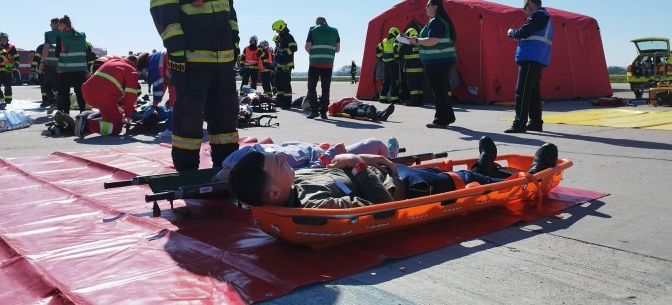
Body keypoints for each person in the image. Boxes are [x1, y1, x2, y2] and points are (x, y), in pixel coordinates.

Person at [149, 0, 240, 171]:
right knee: (188, 116)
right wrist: (176, 49)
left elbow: (228, 10)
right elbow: (163, 10)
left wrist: (233, 40)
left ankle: (226, 167)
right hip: (191, 60)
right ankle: (187, 171)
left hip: (222, 61)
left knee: (226, 116)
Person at [228, 136, 558, 209]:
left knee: (449, 173)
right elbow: (380, 204)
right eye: (279, 163)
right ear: (273, 193)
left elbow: (332, 170)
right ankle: (532, 175)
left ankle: (485, 167)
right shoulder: (314, 206)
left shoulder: (295, 183)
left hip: (390, 172)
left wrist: (360, 160)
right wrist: (356, 164)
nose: (285, 159)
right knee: (465, 182)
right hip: (406, 188)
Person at [215, 137, 400, 181]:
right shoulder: (274, 170)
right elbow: (306, 174)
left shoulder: (239, 156)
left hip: (316, 149)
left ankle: (389, 157)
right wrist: (330, 154)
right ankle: (391, 158)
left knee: (375, 144)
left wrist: (312, 145)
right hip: (331, 158)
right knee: (375, 144)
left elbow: (285, 146)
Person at [505, 0, 553, 133]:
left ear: (531, 4)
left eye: (525, 7)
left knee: (522, 91)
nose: (525, 11)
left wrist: (511, 33)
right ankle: (536, 122)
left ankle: (519, 123)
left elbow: (524, 32)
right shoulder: (544, 16)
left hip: (531, 56)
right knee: (533, 93)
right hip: (538, 57)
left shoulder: (538, 15)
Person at [61, 55, 140, 138]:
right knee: (116, 127)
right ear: (134, 63)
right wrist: (127, 115)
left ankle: (82, 121)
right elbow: (130, 96)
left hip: (87, 91)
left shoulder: (113, 61)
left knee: (108, 115)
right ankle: (87, 124)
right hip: (103, 97)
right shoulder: (131, 71)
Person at [409, 0, 457, 128]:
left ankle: (441, 120)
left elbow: (433, 40)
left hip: (437, 61)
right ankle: (449, 116)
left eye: (427, 5)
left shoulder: (436, 21)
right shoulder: (442, 20)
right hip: (443, 60)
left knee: (439, 90)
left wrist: (417, 41)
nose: (426, 8)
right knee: (441, 89)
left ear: (435, 6)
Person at [304, 17, 340, 119]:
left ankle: (314, 111)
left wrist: (313, 52)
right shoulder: (335, 31)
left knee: (312, 88)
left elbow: (307, 47)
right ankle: (324, 112)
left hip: (314, 63)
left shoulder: (313, 30)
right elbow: (337, 49)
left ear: (317, 23)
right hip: (328, 64)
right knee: (325, 89)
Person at [54, 15, 87, 115]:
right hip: (81, 69)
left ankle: (66, 114)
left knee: (65, 93)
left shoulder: (60, 36)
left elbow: (56, 53)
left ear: (62, 25)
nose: (59, 29)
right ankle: (83, 114)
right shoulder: (82, 35)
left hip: (65, 69)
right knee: (80, 93)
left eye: (59, 26)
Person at [140, 50, 176, 138]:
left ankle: (171, 130)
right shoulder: (157, 57)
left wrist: (154, 104)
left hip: (178, 78)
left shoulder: (153, 64)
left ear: (145, 66)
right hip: (183, 73)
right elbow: (163, 83)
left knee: (173, 105)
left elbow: (159, 86)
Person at [272, 19, 297, 109]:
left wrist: (284, 54)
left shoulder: (288, 37)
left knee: (285, 84)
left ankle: (287, 103)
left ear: (281, 28)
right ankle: (280, 101)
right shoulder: (280, 37)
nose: (277, 32)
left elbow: (294, 48)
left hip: (286, 65)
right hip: (279, 64)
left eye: (277, 30)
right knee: (278, 84)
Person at [38, 17, 60, 112]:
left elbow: (46, 47)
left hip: (50, 65)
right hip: (61, 65)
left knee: (47, 85)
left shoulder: (48, 34)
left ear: (52, 24)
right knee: (58, 86)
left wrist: (42, 61)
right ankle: (60, 104)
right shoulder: (63, 33)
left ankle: (54, 103)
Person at [399, 28, 424, 106]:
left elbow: (399, 50)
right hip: (420, 68)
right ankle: (420, 101)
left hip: (411, 69)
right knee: (420, 86)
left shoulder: (407, 45)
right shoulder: (420, 44)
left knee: (413, 87)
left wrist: (402, 41)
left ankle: (414, 102)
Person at [376, 27, 401, 104]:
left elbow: (377, 48)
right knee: (395, 80)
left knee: (386, 80)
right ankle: (394, 99)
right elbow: (397, 50)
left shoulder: (384, 41)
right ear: (396, 33)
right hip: (393, 63)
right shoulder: (395, 40)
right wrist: (397, 59)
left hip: (385, 63)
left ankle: (383, 98)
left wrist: (380, 57)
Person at [0, 32, 19, 104]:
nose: (3, 39)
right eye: (2, 38)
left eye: (4, 38)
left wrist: (16, 64)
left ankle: (8, 99)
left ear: (7, 39)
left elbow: (16, 56)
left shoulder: (12, 47)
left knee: (8, 84)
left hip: (9, 66)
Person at [327, 97, 395, 122]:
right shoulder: (336, 104)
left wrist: (354, 100)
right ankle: (369, 114)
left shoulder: (351, 99)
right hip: (346, 107)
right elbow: (331, 111)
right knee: (355, 109)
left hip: (357, 103)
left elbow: (357, 101)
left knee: (367, 107)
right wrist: (341, 101)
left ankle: (381, 114)